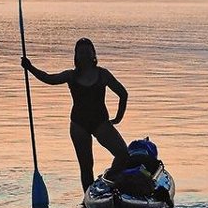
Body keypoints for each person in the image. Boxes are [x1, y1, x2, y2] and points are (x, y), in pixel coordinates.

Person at [22, 38, 129, 192]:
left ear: (93, 54)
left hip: (101, 122)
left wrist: (118, 118)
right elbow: (49, 79)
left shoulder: (103, 74)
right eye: (81, 52)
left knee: (123, 154)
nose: (84, 55)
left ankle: (110, 179)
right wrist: (30, 68)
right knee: (86, 166)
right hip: (79, 125)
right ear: (76, 56)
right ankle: (88, 199)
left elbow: (123, 94)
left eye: (87, 51)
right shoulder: (71, 75)